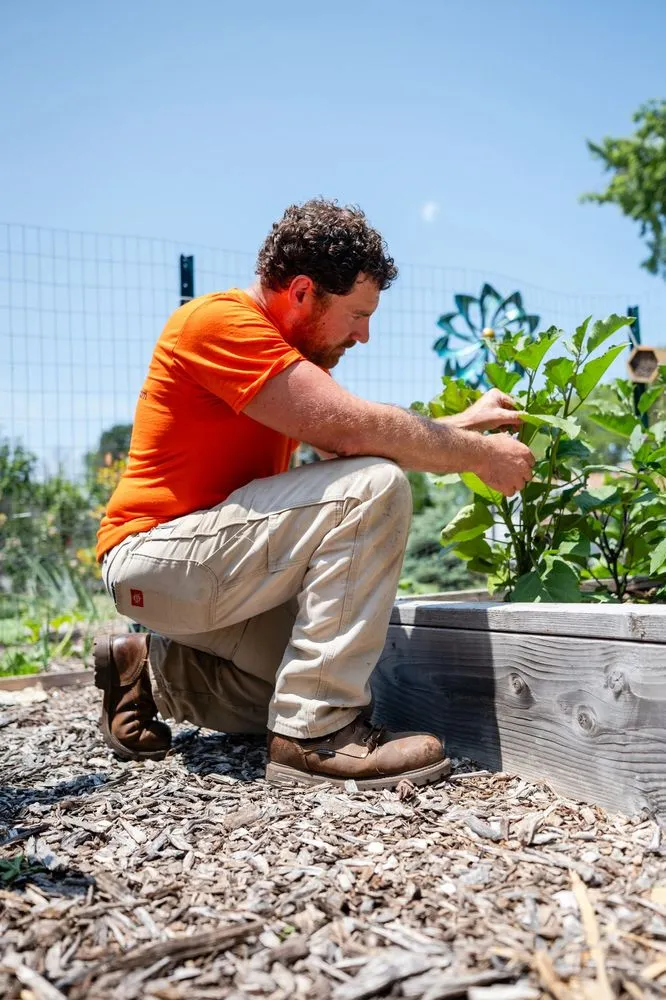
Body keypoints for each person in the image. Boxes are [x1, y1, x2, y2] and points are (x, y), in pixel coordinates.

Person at [94, 199, 534, 789]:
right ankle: (317, 736)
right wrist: (480, 457)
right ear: (302, 291)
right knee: (375, 489)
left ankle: (148, 673)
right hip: (157, 559)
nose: (364, 334)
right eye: (357, 314)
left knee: (319, 673)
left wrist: (464, 426)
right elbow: (355, 436)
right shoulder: (218, 323)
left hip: (212, 572)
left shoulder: (286, 359)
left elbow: (347, 441)